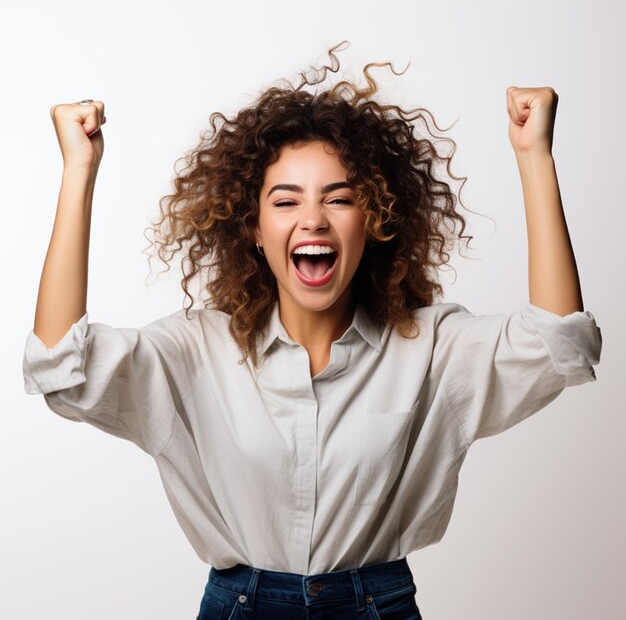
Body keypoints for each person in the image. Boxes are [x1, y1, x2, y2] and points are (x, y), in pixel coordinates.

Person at [22, 42, 602, 620]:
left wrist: (534, 155)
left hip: (377, 605)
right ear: (252, 226)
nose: (313, 219)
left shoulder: (431, 348)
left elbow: (559, 345)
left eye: (340, 198)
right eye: (285, 200)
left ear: (373, 219)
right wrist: (79, 171)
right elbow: (60, 368)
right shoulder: (195, 350)